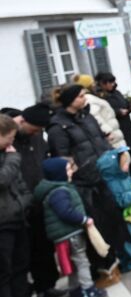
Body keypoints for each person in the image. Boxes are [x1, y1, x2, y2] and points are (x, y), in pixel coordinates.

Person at [47, 86, 127, 278]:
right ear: (71, 100)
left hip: (103, 175)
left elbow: (100, 139)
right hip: (83, 182)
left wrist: (111, 152)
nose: (85, 99)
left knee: (113, 218)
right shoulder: (58, 127)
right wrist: (80, 170)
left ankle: (119, 260)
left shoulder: (86, 116)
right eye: (81, 96)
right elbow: (63, 157)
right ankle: (103, 268)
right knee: (97, 224)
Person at [3, 105, 59, 297]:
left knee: (44, 248)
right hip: (18, 206)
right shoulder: (9, 141)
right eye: (34, 128)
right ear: (22, 122)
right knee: (20, 258)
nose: (36, 132)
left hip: (38, 199)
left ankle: (46, 286)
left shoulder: (36, 137)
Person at [34, 158, 105, 297]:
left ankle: (75, 290)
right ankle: (88, 290)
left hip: (64, 236)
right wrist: (84, 219)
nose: (71, 171)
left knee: (72, 265)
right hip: (71, 234)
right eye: (67, 169)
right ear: (58, 174)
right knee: (82, 262)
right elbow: (65, 212)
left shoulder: (55, 190)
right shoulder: (59, 191)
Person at [0, 114, 32, 297]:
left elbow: (18, 183)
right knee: (5, 272)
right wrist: (12, 159)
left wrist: (25, 201)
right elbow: (2, 180)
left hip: (17, 217)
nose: (12, 142)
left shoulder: (7, 154)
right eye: (9, 138)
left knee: (21, 267)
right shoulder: (11, 157)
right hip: (2, 224)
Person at [92, 73, 131, 181]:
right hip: (117, 129)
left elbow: (126, 103)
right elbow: (106, 113)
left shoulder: (116, 92)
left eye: (113, 82)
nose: (112, 84)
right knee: (123, 156)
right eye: (109, 82)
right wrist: (118, 112)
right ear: (102, 84)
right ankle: (128, 181)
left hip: (127, 127)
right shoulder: (100, 97)